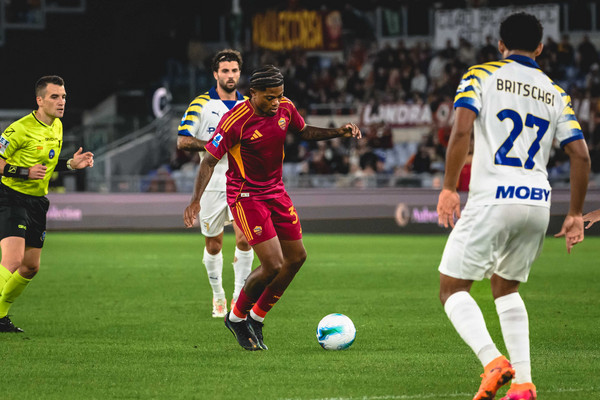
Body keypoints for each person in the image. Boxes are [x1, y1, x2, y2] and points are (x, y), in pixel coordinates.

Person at [436, 13, 590, 400]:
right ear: (540, 47)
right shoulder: (556, 92)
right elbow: (581, 155)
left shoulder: (481, 74)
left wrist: (449, 187)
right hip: (538, 201)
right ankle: (523, 384)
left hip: (494, 196)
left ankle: (493, 361)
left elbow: (462, 129)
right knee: (505, 288)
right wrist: (575, 213)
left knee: (452, 288)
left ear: (500, 45)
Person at [183, 65, 361, 351]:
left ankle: (256, 317)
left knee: (297, 258)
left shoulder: (285, 107)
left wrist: (338, 132)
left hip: (276, 191)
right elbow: (209, 161)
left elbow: (304, 131)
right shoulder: (235, 121)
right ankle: (236, 318)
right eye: (269, 97)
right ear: (253, 93)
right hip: (246, 195)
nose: (276, 102)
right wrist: (195, 200)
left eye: (280, 95)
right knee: (273, 264)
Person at [0, 75, 94, 332]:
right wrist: (24, 172)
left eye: (63, 96)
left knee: (30, 267)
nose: (61, 101)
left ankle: (1, 315)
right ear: (39, 100)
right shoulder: (19, 129)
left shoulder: (57, 126)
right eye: (54, 96)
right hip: (11, 196)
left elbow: (47, 166)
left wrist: (71, 164)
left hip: (37, 202)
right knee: (13, 260)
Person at [177, 49, 254, 318]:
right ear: (215, 74)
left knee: (246, 240)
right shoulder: (200, 104)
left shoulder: (250, 106)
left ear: (239, 73)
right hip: (211, 184)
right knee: (214, 245)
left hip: (243, 183)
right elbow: (183, 140)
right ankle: (218, 294)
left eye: (234, 71)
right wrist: (215, 144)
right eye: (225, 71)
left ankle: (238, 298)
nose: (230, 75)